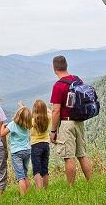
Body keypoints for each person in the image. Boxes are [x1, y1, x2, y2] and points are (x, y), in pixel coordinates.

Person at [49, 56, 93, 185]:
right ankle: (91, 183)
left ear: (54, 68)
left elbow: (56, 111)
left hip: (66, 123)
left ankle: (71, 187)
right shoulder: (77, 80)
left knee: (69, 157)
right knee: (82, 154)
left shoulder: (58, 86)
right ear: (66, 65)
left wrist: (53, 131)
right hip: (79, 120)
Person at [0, 103, 32, 196]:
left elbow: (2, 134)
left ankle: (23, 195)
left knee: (20, 176)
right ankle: (29, 193)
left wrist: (2, 126)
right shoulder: (27, 125)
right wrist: (22, 106)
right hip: (27, 151)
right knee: (25, 174)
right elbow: (24, 114)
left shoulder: (12, 125)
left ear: (17, 115)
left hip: (17, 152)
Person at [30, 99, 51, 189]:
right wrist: (46, 108)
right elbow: (51, 112)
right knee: (44, 169)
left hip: (35, 145)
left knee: (36, 170)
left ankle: (39, 189)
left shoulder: (32, 121)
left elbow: (26, 117)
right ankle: (45, 189)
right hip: (46, 144)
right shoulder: (49, 117)